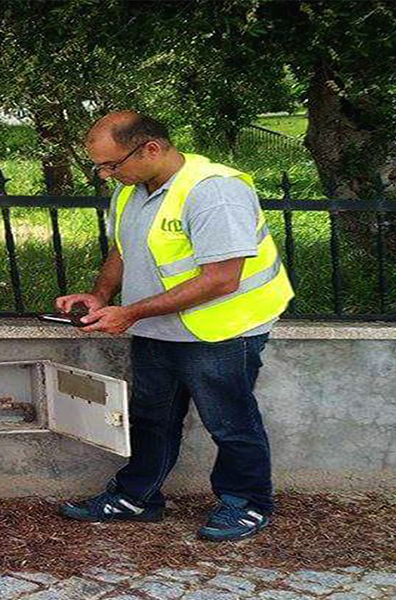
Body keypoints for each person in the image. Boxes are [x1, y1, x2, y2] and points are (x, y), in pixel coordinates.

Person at [56, 111, 293, 542]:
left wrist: (130, 313)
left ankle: (247, 504)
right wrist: (102, 296)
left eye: (114, 164)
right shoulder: (131, 189)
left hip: (221, 331)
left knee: (230, 422)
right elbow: (123, 249)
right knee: (151, 419)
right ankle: (137, 497)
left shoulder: (213, 190)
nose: (108, 175)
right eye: (101, 166)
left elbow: (222, 278)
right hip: (157, 328)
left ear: (152, 148)